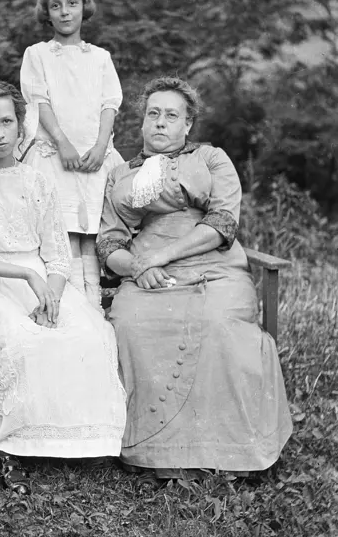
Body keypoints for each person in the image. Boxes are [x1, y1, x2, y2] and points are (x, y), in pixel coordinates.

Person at [96, 75, 293, 478]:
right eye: (153, 114)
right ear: (142, 122)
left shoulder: (211, 159)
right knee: (130, 324)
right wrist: (136, 267)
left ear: (188, 124)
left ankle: (231, 452)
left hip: (212, 265)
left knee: (218, 323)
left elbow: (222, 223)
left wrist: (161, 258)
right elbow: (110, 243)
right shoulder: (120, 176)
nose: (161, 123)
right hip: (145, 274)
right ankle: (152, 453)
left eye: (172, 115)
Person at [0, 81, 126, 494]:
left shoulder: (38, 181)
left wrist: (53, 294)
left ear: (21, 126)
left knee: (94, 333)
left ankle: (83, 439)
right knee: (25, 344)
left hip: (45, 282)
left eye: (8, 121)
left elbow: (58, 255)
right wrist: (26, 276)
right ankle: (12, 448)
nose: (0, 133)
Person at [20, 0, 123, 311]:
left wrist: (100, 146)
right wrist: (62, 142)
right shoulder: (37, 54)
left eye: (72, 4)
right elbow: (39, 100)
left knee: (91, 237)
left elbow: (110, 103)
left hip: (94, 157)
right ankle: (68, 314)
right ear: (47, 13)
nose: (65, 12)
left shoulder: (100, 57)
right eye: (56, 6)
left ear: (84, 8)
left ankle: (94, 314)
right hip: (55, 156)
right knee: (63, 239)